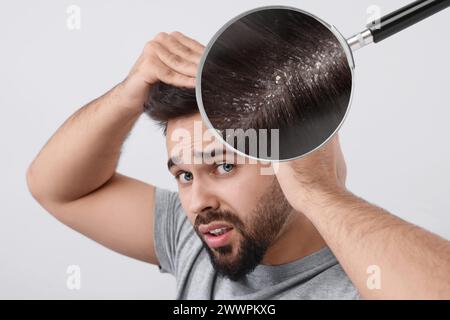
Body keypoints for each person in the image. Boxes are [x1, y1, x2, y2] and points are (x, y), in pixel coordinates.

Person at [26, 31, 450, 299]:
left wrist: (321, 191)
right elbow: (56, 187)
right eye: (184, 175)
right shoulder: (195, 237)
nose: (198, 201)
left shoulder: (366, 281)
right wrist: (127, 95)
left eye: (224, 167)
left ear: (294, 156)